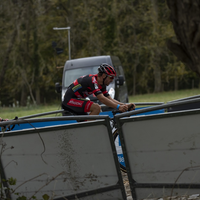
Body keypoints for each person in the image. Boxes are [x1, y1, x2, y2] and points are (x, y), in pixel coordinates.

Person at [62, 63, 135, 116]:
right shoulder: (92, 80)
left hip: (77, 99)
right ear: (103, 75)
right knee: (96, 108)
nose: (112, 80)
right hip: (69, 100)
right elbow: (102, 99)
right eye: (111, 77)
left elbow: (110, 99)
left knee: (91, 117)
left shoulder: (102, 84)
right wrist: (119, 107)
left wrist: (125, 105)